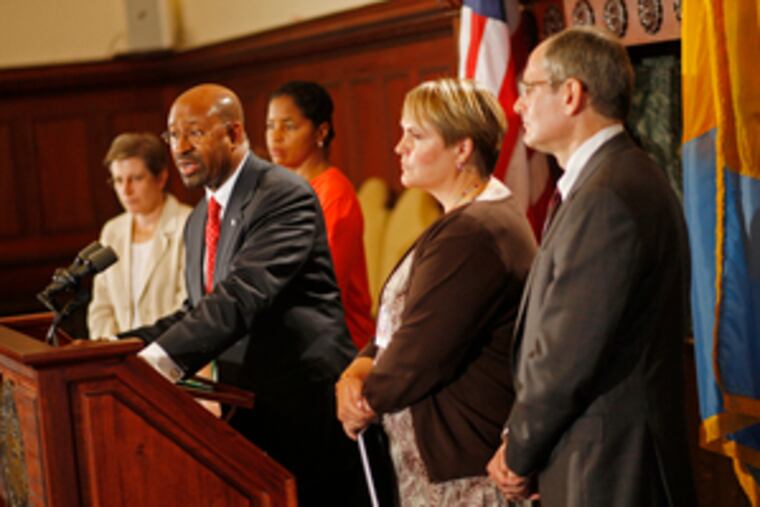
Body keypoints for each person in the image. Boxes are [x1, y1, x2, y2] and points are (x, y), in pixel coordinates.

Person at [119, 84, 364, 506]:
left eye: (193, 133)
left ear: (233, 134)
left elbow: (241, 296)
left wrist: (153, 365)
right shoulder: (199, 219)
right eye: (172, 136)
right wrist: (119, 350)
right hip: (248, 413)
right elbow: (195, 311)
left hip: (305, 410)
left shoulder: (282, 195)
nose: (180, 147)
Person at [486, 27, 696, 506]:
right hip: (596, 458)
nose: (517, 106)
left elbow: (566, 353)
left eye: (528, 89)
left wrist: (519, 451)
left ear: (571, 94)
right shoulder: (609, 179)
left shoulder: (608, 194)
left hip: (611, 468)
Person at [336, 78, 537, 505]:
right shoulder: (467, 219)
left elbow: (419, 355)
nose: (399, 147)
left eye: (415, 134)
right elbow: (404, 323)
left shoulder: (475, 232)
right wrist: (357, 368)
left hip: (466, 475)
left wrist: (359, 400)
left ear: (462, 149)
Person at [266, 80, 374, 349]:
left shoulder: (334, 193)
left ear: (321, 131)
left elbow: (321, 286)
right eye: (270, 125)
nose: (275, 136)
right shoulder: (280, 193)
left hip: (335, 346)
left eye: (288, 126)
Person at [88, 132, 191, 338]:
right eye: (118, 180)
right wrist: (113, 349)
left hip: (167, 354)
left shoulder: (187, 224)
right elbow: (101, 306)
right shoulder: (112, 231)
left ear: (161, 178)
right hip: (119, 359)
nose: (126, 190)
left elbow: (187, 305)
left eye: (135, 178)